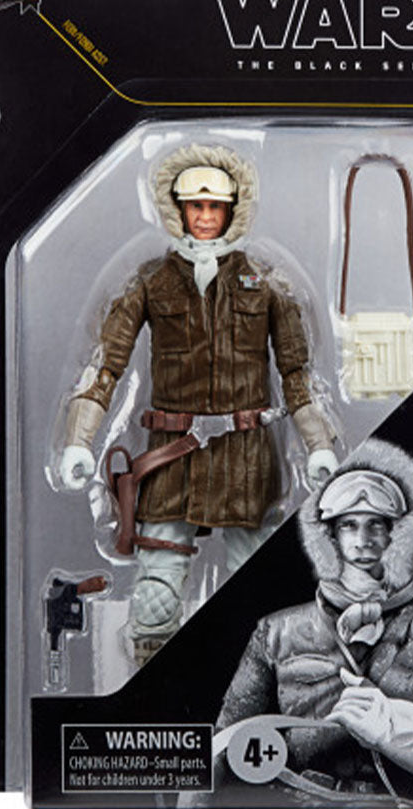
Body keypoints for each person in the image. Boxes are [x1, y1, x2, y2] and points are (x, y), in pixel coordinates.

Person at [58, 143, 338, 660]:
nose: (205, 217)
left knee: (260, 598)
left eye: (214, 207)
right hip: (172, 459)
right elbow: (104, 366)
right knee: (156, 597)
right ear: (177, 208)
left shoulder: (266, 283)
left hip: (246, 461)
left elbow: (299, 375)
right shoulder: (151, 281)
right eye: (195, 206)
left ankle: (256, 684)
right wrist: (79, 440)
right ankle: (153, 686)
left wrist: (318, 446)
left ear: (233, 209)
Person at [215, 438, 413, 806]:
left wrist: (400, 726)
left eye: (377, 524)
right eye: (349, 525)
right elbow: (224, 746)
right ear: (329, 535)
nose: (363, 540)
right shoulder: (278, 632)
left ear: (399, 532)